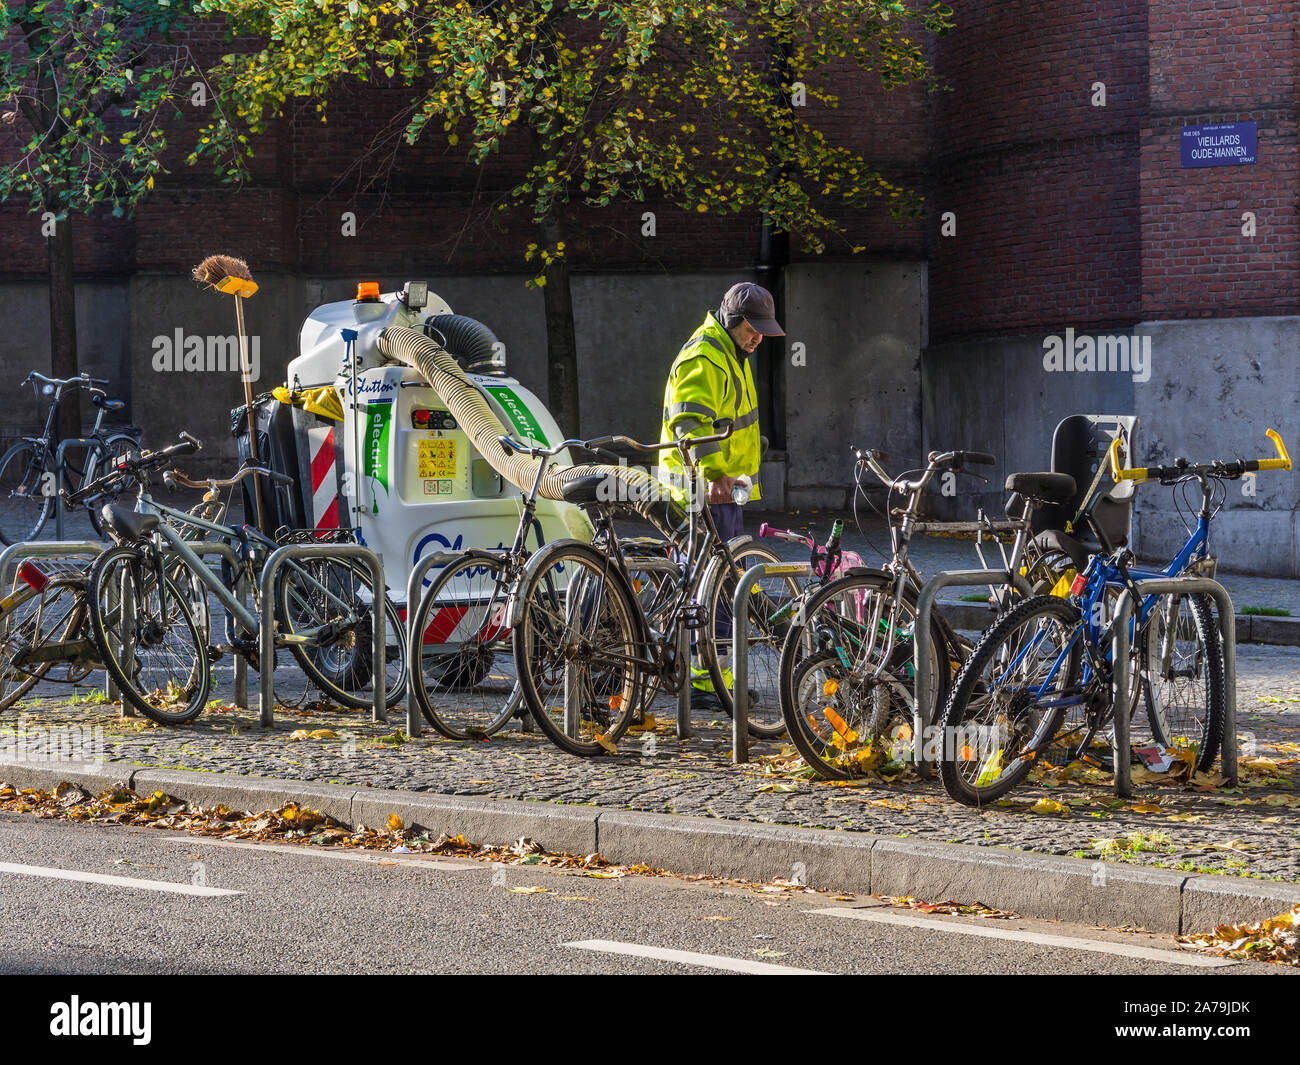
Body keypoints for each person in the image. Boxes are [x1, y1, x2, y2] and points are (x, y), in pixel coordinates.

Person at [660, 281, 783, 697]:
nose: (759, 336)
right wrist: (713, 473)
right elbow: (690, 423)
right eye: (753, 326)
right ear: (733, 320)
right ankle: (709, 681)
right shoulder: (707, 356)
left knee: (711, 587)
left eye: (764, 328)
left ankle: (705, 674)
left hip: (724, 490)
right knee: (714, 591)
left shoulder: (729, 351)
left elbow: (727, 421)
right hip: (705, 491)